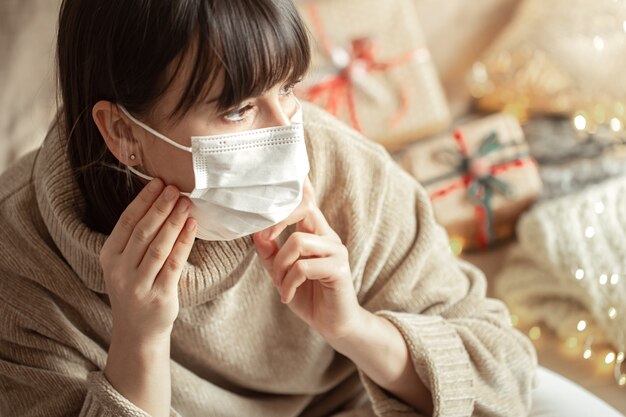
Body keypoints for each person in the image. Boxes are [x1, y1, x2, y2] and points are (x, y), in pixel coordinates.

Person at [0, 0, 538, 416]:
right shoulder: (20, 259)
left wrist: (354, 329)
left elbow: (505, 376)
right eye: (238, 110)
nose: (289, 136)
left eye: (288, 89)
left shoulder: (342, 171)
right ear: (121, 131)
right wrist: (137, 340)